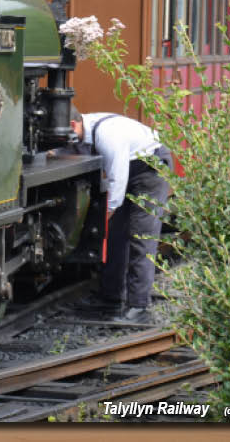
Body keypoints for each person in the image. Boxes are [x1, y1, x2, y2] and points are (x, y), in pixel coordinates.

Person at [69, 107, 172, 323]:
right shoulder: (87, 125)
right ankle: (111, 297)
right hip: (131, 167)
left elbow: (117, 177)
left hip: (150, 170)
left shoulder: (108, 136)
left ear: (72, 125)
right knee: (115, 235)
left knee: (141, 237)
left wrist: (108, 211)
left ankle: (139, 306)